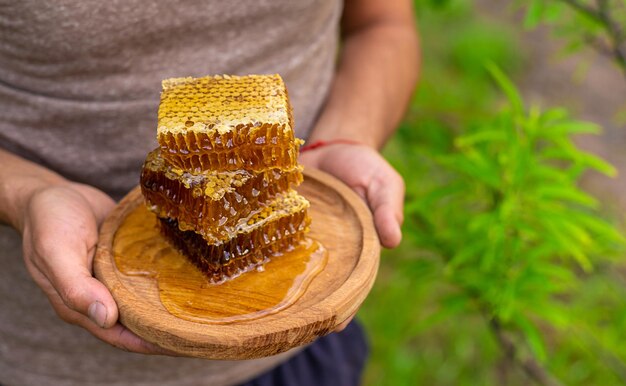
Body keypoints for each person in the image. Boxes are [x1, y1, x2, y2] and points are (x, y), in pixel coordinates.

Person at [0, 0, 419, 384]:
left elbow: (383, 24)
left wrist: (347, 138)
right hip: (52, 358)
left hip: (294, 336)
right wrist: (27, 193)